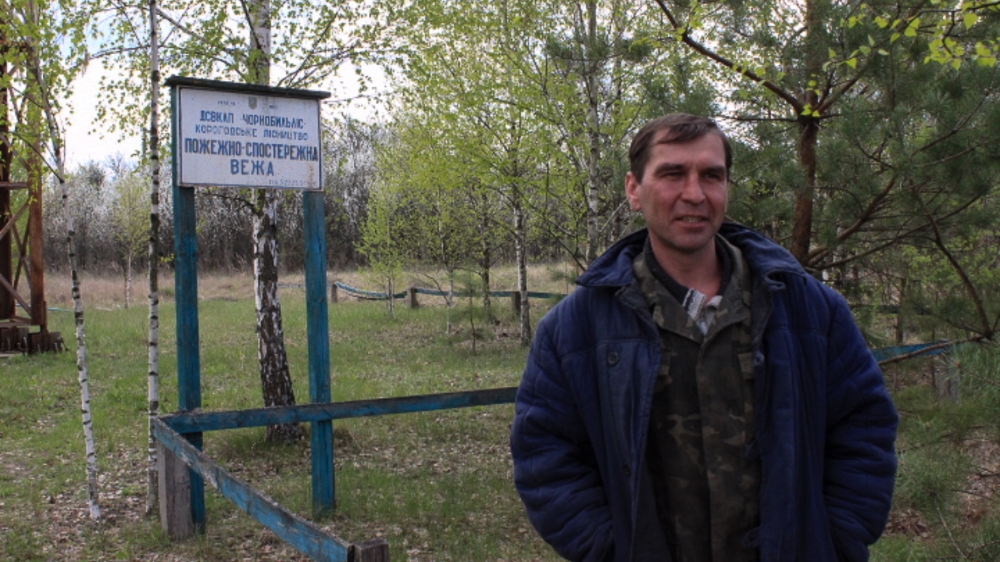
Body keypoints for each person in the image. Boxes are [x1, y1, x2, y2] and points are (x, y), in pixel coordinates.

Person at [510, 114, 898, 562]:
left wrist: (835, 539)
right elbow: (546, 457)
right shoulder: (576, 330)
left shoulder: (809, 311)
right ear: (634, 189)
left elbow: (864, 430)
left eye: (711, 175)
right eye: (672, 174)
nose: (694, 194)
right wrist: (609, 549)